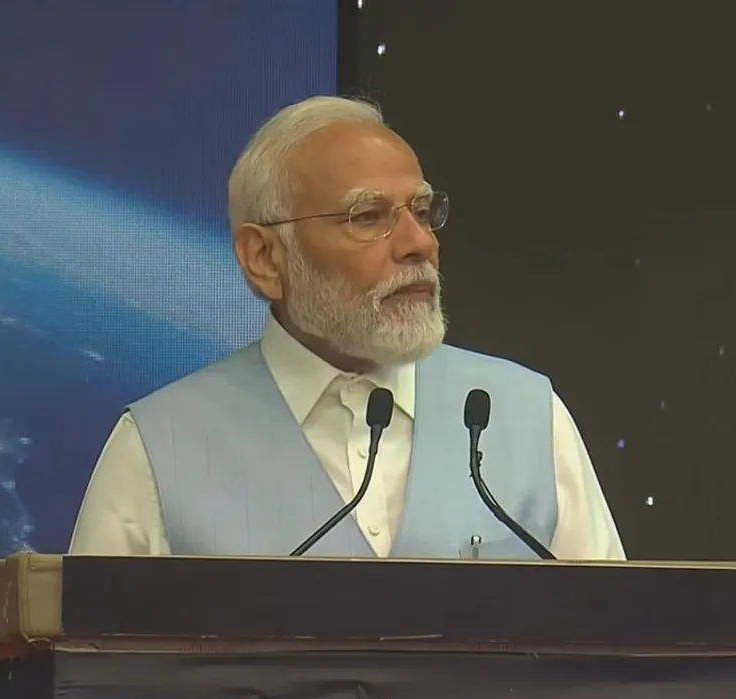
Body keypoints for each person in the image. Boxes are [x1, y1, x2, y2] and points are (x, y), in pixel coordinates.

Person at [69, 96, 625, 561]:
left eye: (422, 211)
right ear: (265, 257)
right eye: (369, 217)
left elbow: (613, 654)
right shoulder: (155, 448)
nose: (420, 243)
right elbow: (97, 685)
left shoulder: (525, 414)